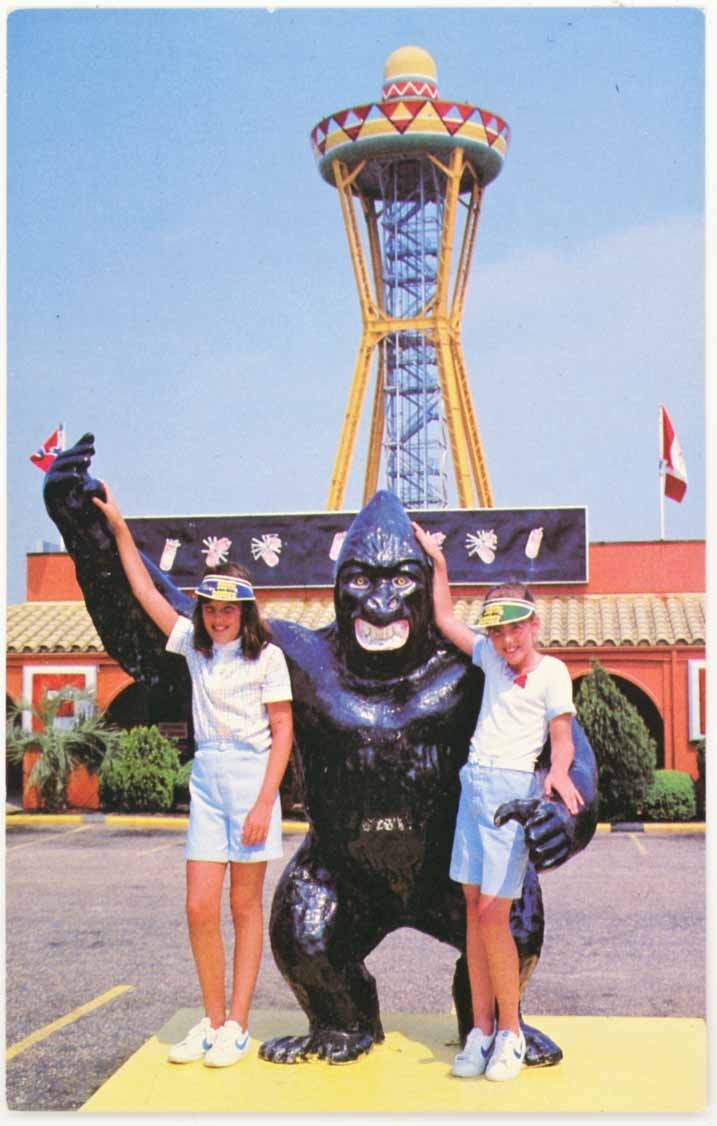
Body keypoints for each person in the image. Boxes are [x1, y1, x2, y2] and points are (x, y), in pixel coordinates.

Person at [93, 484, 293, 1069]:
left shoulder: (268, 657)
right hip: (207, 778)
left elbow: (283, 731)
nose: (219, 618)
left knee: (244, 907)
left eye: (229, 609)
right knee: (199, 906)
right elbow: (143, 590)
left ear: (246, 611)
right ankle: (211, 1019)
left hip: (253, 779)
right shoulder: (194, 647)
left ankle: (238, 1024)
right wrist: (121, 528)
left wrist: (265, 803)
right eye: (210, 608)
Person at [412, 522, 584, 1083]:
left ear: (534, 625)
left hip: (512, 795)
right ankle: (480, 1031)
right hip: (474, 786)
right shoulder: (488, 657)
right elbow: (444, 618)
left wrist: (557, 776)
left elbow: (561, 740)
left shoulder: (552, 673)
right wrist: (438, 562)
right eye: (499, 631)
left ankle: (511, 1031)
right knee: (472, 909)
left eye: (516, 628)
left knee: (495, 915)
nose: (508, 640)